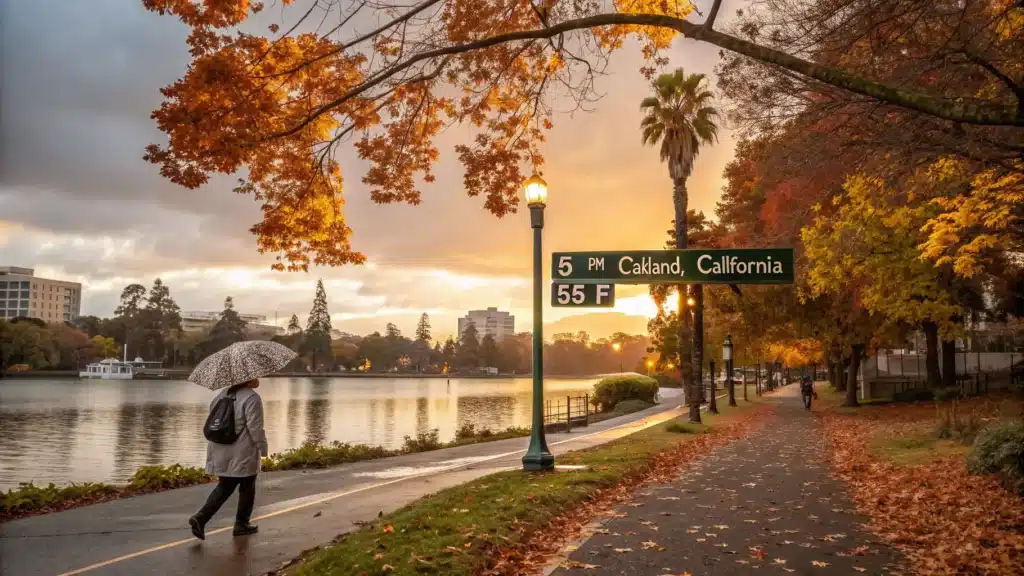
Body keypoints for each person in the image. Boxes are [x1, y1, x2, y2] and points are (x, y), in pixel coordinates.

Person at [189, 378, 268, 540]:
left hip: (220, 448)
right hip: (242, 451)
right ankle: (241, 524)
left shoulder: (222, 395)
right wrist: (263, 448)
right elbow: (255, 428)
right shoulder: (252, 398)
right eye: (255, 375)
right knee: (247, 485)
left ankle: (201, 518)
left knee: (225, 485)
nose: (258, 379)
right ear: (248, 379)